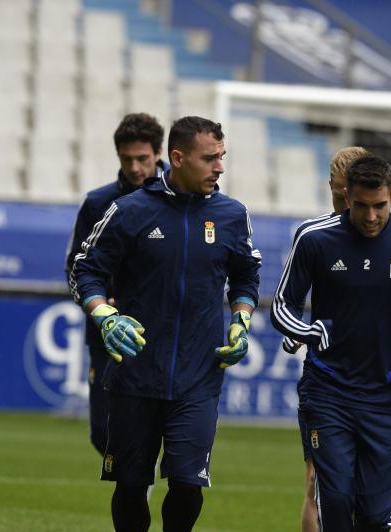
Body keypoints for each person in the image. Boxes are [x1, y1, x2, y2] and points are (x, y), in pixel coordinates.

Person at [70, 116, 261, 532]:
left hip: (199, 374)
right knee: (131, 485)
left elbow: (246, 278)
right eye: (210, 158)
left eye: (222, 157)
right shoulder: (129, 210)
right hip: (135, 372)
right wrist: (104, 315)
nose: (220, 167)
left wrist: (241, 322)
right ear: (177, 158)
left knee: (188, 485)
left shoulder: (232, 215)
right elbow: (85, 269)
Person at [271, 155, 391, 531]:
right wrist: (308, 332)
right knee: (333, 501)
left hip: (386, 398)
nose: (371, 216)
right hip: (328, 390)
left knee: (373, 516)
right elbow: (281, 305)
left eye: (380, 206)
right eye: (361, 206)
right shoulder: (315, 238)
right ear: (345, 196)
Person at [65, 112, 167, 456]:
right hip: (107, 335)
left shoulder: (186, 200)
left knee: (164, 429)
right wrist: (102, 307)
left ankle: (143, 490)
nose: (136, 168)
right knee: (104, 434)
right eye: (127, 160)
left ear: (159, 153)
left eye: (143, 158)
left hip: (165, 332)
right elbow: (74, 267)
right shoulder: (98, 202)